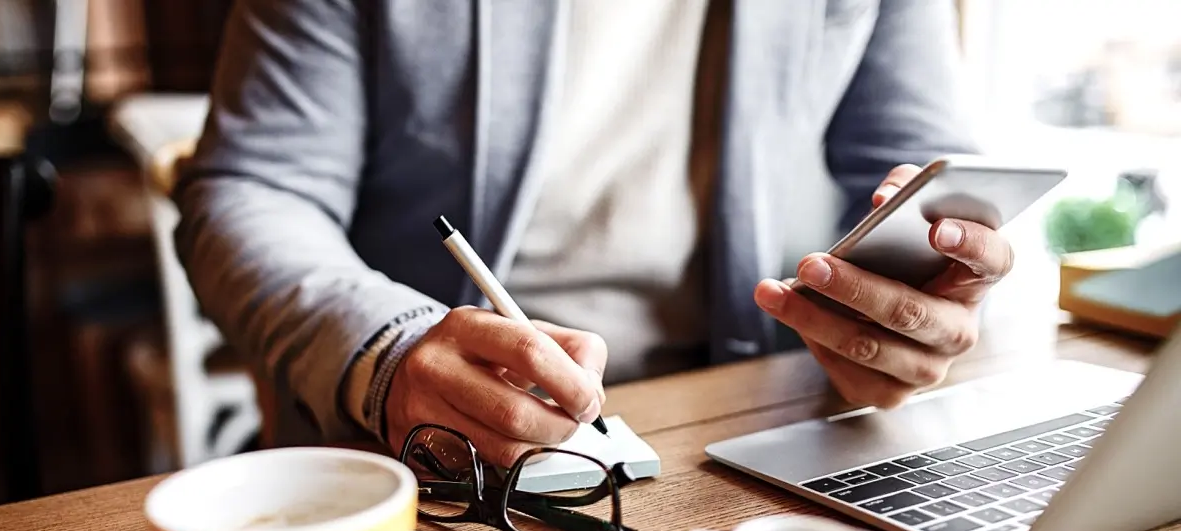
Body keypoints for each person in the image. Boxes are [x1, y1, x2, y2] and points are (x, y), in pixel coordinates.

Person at [174, 0, 1012, 467]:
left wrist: (922, 293)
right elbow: (252, 189)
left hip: (770, 419)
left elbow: (921, 169)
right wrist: (388, 348)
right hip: (444, 456)